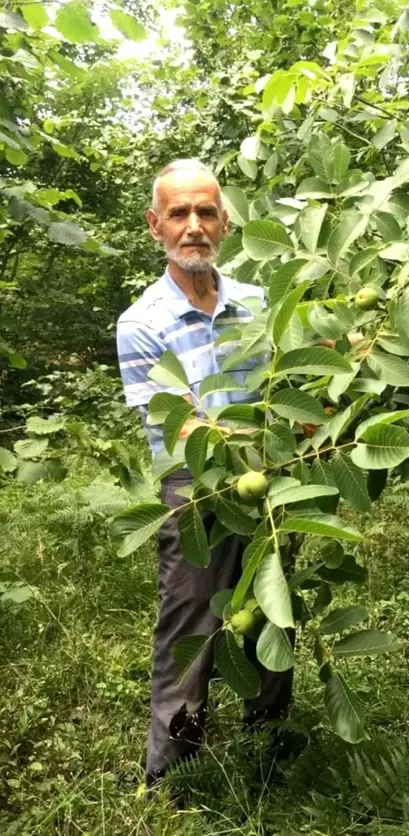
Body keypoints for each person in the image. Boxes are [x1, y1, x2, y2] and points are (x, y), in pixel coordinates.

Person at [115, 159, 293, 790]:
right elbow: (182, 428)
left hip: (268, 484)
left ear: (223, 220)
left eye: (206, 212)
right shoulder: (142, 324)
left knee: (274, 610)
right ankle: (175, 770)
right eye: (179, 214)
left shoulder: (258, 303)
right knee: (192, 625)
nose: (194, 226)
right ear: (155, 225)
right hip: (196, 491)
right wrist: (273, 438)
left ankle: (271, 740)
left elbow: (298, 381)